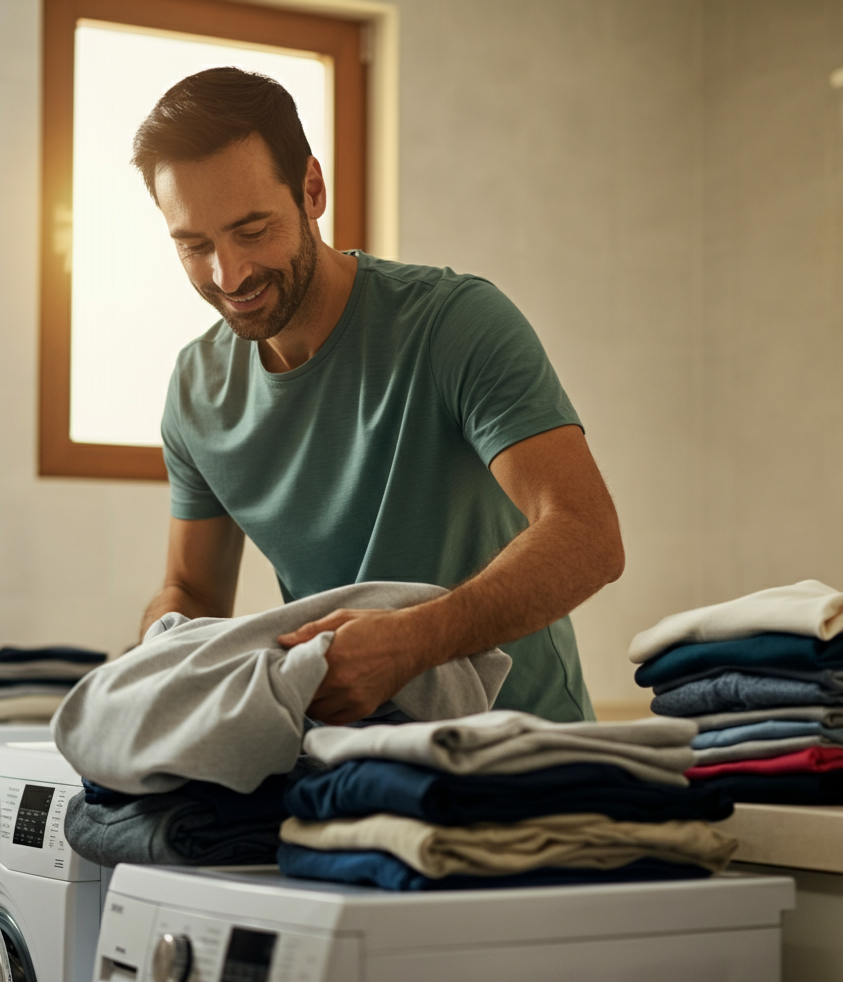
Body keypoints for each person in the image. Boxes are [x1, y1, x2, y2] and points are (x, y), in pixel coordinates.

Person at [131, 67, 624, 727]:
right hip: (346, 770)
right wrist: (159, 649)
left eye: (252, 231)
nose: (230, 274)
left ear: (312, 189)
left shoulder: (453, 323)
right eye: (194, 246)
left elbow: (587, 535)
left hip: (525, 758)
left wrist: (415, 640)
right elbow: (191, 590)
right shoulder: (196, 393)